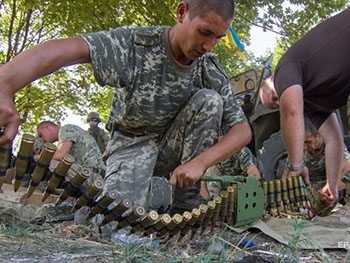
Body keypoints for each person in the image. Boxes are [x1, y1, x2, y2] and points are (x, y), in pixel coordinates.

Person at [0, 0, 251, 228]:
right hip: (132, 145)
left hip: (173, 146)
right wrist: (4, 84)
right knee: (115, 228)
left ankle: (185, 201)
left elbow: (242, 131)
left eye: (217, 38)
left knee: (210, 100)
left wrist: (200, 162)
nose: (208, 46)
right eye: (204, 32)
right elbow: (70, 49)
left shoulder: (207, 67)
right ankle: (85, 209)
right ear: (182, 12)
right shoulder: (136, 45)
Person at [259, 7, 350, 205]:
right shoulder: (313, 101)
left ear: (275, 79)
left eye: (276, 96)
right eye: (275, 106)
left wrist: (295, 165)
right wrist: (331, 185)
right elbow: (334, 140)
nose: (280, 102)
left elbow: (291, 111)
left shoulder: (285, 68)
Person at [302, 118, 350, 192]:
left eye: (308, 142)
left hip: (330, 190)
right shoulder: (300, 149)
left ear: (320, 135)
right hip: (309, 190)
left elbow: (347, 171)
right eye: (302, 142)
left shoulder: (333, 147)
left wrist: (326, 191)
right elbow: (288, 173)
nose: (305, 147)